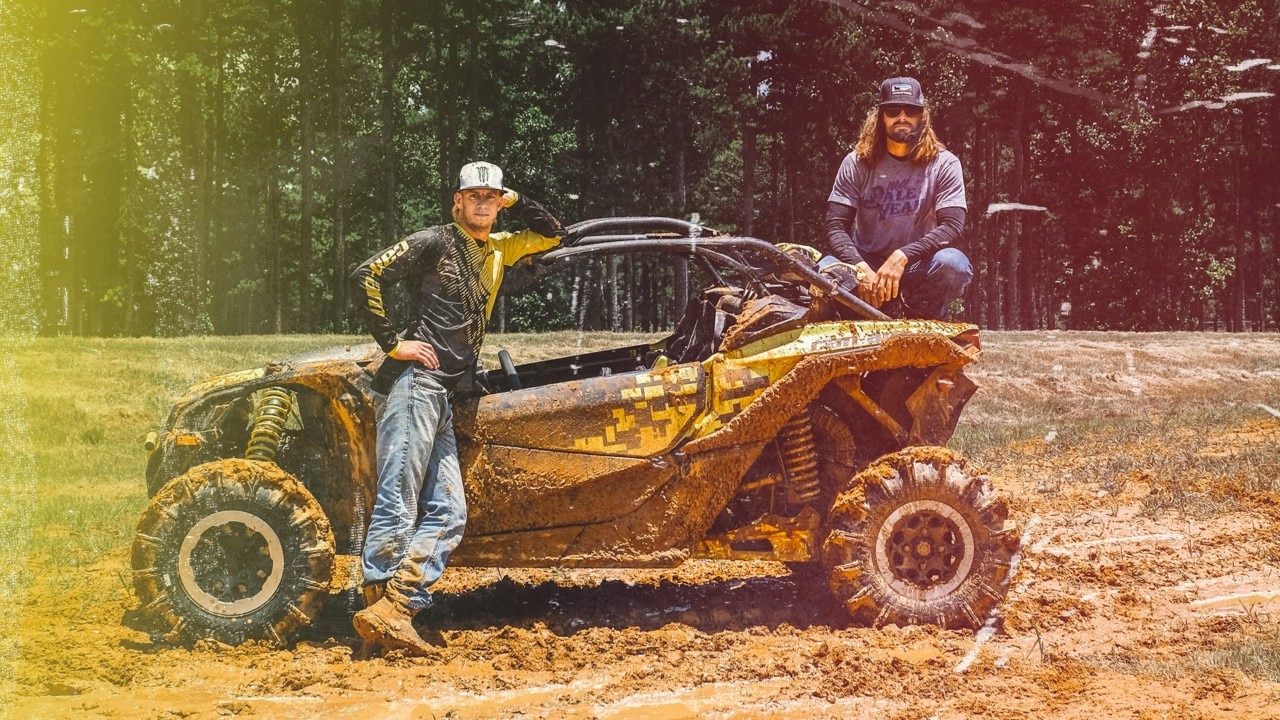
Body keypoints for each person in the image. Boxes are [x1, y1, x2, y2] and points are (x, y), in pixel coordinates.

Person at [349, 161, 564, 654]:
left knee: (449, 512)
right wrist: (393, 343)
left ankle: (393, 611)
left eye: (491, 197)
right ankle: (377, 615)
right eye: (474, 196)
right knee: (398, 501)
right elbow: (366, 274)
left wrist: (516, 198)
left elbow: (555, 234)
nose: (483, 204)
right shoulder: (434, 241)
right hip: (414, 385)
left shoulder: (501, 248)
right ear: (458, 202)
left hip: (446, 395)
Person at [824, 76, 972, 320]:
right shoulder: (856, 162)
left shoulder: (944, 163)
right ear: (880, 116)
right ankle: (860, 314)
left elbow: (952, 225)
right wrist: (859, 267)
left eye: (910, 111)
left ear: (922, 116)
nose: (902, 117)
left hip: (916, 265)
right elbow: (835, 225)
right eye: (893, 110)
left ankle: (919, 315)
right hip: (867, 264)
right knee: (823, 271)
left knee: (953, 264)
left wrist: (902, 256)